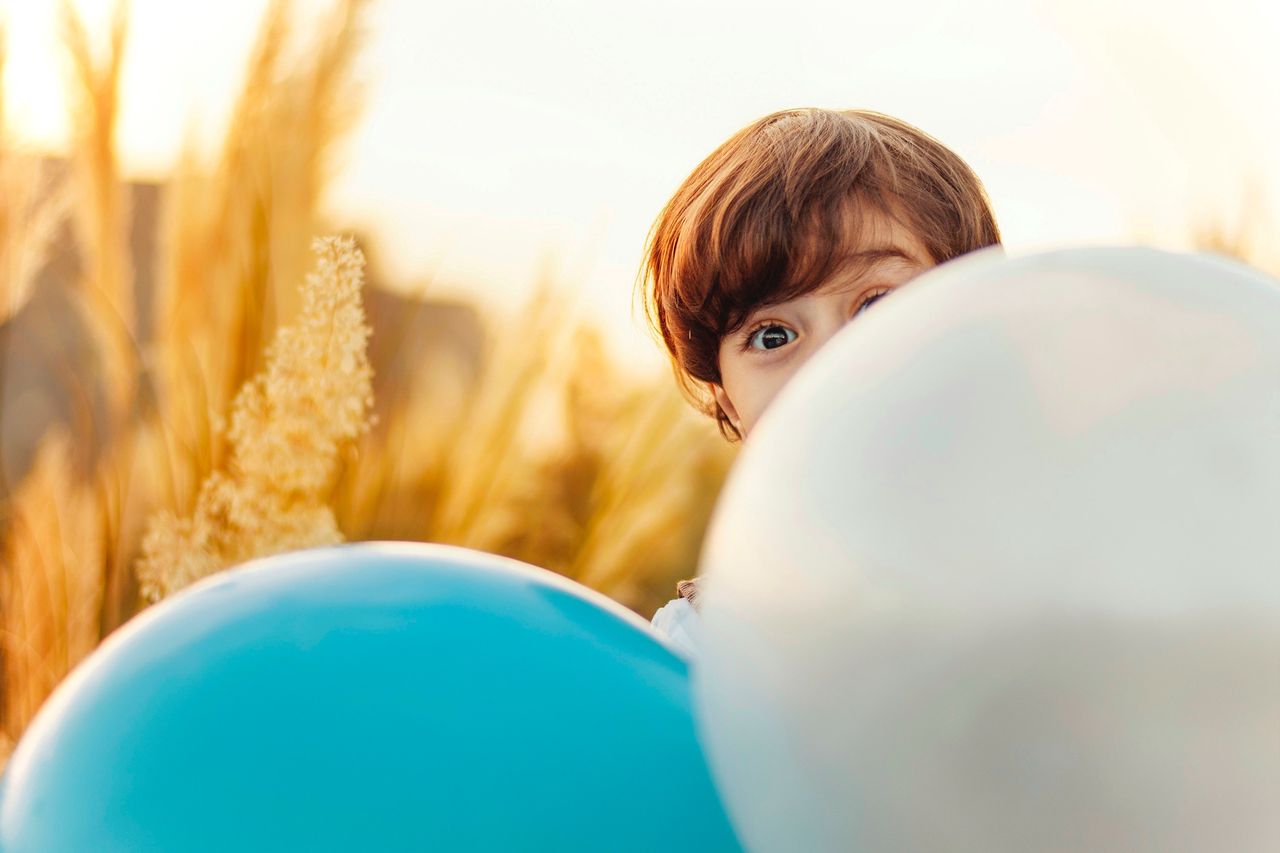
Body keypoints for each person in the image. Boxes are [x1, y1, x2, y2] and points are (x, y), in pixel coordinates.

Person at [641, 107, 1002, 657]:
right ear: (726, 400)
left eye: (879, 303)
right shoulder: (704, 648)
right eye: (772, 337)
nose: (833, 362)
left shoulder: (1061, 582)